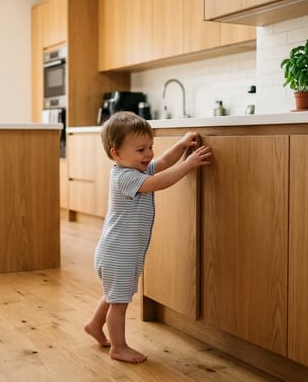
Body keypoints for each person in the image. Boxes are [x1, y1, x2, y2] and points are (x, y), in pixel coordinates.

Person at [83, 111, 212, 363]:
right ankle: (118, 347)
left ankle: (94, 325)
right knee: (119, 303)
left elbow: (162, 163)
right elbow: (159, 181)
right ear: (116, 153)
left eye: (150, 147)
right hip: (119, 253)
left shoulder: (134, 169)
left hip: (117, 252)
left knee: (114, 295)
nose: (149, 154)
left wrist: (182, 145)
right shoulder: (126, 177)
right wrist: (189, 163)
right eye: (141, 150)